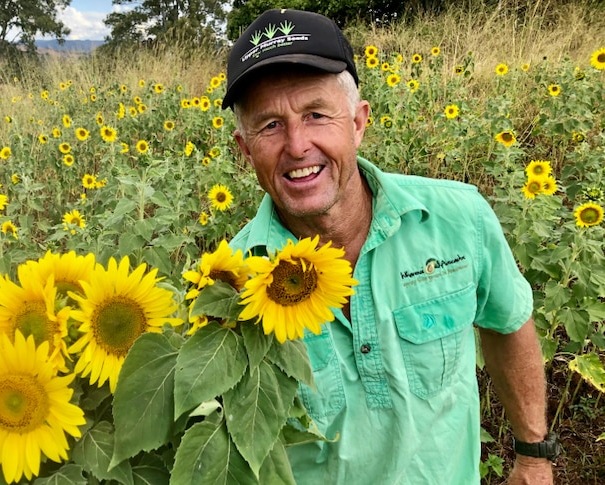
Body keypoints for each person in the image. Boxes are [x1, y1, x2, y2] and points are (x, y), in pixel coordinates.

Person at [222, 8, 558, 484]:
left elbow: (508, 323)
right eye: (270, 125)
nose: (297, 145)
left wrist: (532, 453)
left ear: (358, 123)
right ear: (244, 148)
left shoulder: (456, 219)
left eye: (316, 114)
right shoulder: (231, 281)